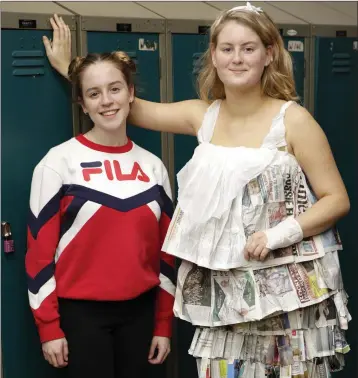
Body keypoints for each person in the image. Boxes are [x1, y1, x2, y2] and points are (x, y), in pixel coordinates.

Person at [45, 3, 351, 376]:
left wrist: (279, 233)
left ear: (269, 54)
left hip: (282, 299)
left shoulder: (293, 120)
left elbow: (337, 199)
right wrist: (72, 68)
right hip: (225, 304)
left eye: (248, 48)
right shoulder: (202, 115)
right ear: (214, 56)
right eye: (227, 48)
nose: (237, 59)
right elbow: (117, 100)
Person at [26, 47, 175, 378]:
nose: (106, 101)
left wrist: (163, 323)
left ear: (130, 93)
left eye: (115, 88)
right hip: (80, 317)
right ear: (82, 104)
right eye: (94, 93)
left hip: (141, 313)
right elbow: (38, 258)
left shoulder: (153, 166)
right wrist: (49, 327)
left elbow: (167, 256)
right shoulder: (58, 162)